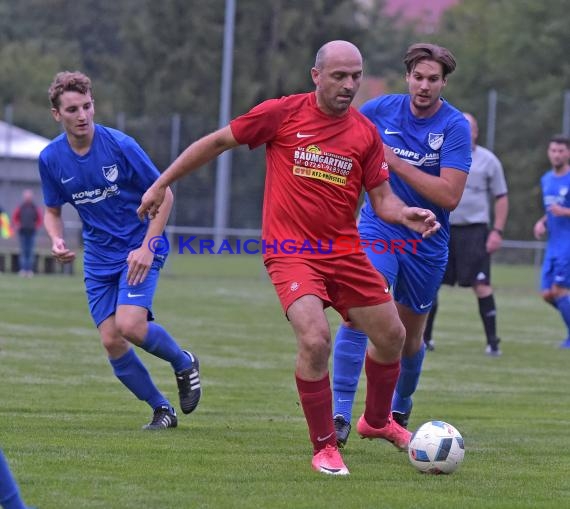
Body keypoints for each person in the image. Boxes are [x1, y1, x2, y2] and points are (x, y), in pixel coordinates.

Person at [137, 40, 441, 476]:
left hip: (345, 251)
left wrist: (406, 215)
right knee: (316, 338)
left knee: (393, 335)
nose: (349, 85)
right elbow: (217, 141)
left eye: (356, 76)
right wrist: (161, 183)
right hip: (291, 252)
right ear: (316, 75)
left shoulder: (364, 134)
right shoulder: (281, 114)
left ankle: (377, 422)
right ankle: (324, 447)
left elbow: (383, 200)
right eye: (339, 75)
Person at [38, 71, 201, 430]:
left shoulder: (121, 146)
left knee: (129, 325)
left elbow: (166, 193)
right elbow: (52, 211)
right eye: (71, 109)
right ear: (56, 114)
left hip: (138, 247)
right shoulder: (50, 158)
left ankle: (183, 361)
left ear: (93, 105)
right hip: (98, 257)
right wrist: (56, 239)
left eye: (86, 106)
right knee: (111, 340)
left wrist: (147, 247)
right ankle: (162, 410)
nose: (81, 115)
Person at [331, 42, 472, 445]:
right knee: (360, 310)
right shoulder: (379, 110)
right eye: (418, 77)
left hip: (427, 241)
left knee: (410, 340)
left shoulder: (454, 126)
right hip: (379, 227)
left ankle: (400, 404)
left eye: (433, 79)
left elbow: (449, 196)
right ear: (407, 77)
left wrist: (394, 161)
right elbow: (342, 137)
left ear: (444, 83)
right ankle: (340, 413)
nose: (424, 86)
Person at [422, 112, 509, 356]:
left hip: (474, 232)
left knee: (481, 284)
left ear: (476, 132)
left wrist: (497, 231)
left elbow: (501, 197)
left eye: (467, 127)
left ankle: (493, 342)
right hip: (442, 228)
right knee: (431, 283)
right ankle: (424, 339)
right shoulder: (439, 155)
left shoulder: (488, 161)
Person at [533, 134, 570, 349]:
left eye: (561, 151)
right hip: (552, 244)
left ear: (568, 153)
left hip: (567, 245)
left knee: (559, 291)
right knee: (547, 294)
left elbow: (560, 209)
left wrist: (563, 211)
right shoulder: (546, 179)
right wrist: (543, 221)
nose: (556, 154)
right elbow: (551, 210)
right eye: (553, 150)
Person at [12, 189, 42, 277]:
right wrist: (18, 225)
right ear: (24, 197)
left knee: (30, 252)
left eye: (29, 197)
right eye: (26, 197)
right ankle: (23, 270)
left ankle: (29, 270)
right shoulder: (20, 207)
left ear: (31, 198)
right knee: (23, 252)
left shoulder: (35, 208)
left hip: (32, 232)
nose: (27, 198)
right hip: (22, 232)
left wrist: (36, 226)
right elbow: (15, 218)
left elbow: (39, 219)